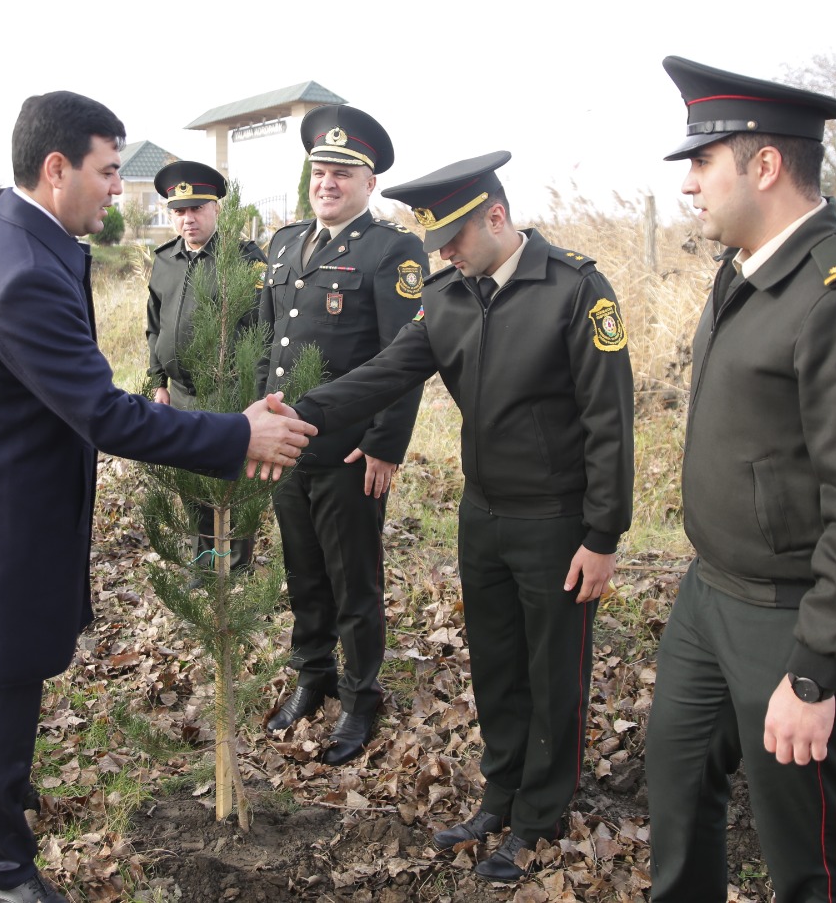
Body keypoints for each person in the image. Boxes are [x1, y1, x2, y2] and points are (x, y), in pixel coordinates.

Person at [0, 90, 317, 903]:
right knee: (1, 684)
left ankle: (5, 799)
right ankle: (1, 867)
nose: (114, 189)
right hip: (3, 525)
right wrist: (238, 437)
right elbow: (101, 413)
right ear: (55, 169)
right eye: (104, 172)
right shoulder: (23, 270)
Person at [281, 151, 634, 882]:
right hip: (484, 516)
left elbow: (611, 422)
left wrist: (603, 536)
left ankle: (541, 815)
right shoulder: (448, 296)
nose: (441, 253)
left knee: (552, 670)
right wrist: (291, 417)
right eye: (435, 240)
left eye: (453, 238)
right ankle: (501, 793)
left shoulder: (573, 291)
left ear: (496, 217)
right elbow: (380, 376)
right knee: (497, 665)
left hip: (557, 523)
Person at [644, 56, 836, 903]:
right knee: (674, 787)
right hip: (711, 597)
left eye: (702, 163)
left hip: (793, 620)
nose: (691, 186)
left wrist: (816, 672)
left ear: (764, 166)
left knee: (806, 847)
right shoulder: (745, 269)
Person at [256, 104, 426, 767]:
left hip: (350, 451)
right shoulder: (282, 243)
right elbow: (271, 342)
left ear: (369, 183)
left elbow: (405, 354)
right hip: (284, 447)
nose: (327, 182)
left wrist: (387, 441)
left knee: (353, 581)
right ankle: (313, 674)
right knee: (303, 574)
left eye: (342, 173)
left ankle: (361, 696)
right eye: (319, 171)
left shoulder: (391, 250)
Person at [145, 159, 267, 580]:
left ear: (216, 208)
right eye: (179, 211)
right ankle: (202, 563)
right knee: (193, 483)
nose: (188, 219)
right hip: (180, 393)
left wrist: (253, 388)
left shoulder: (245, 260)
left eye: (197, 208)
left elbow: (260, 329)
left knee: (234, 483)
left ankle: (237, 568)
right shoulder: (165, 260)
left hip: (228, 391)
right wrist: (159, 380)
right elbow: (154, 324)